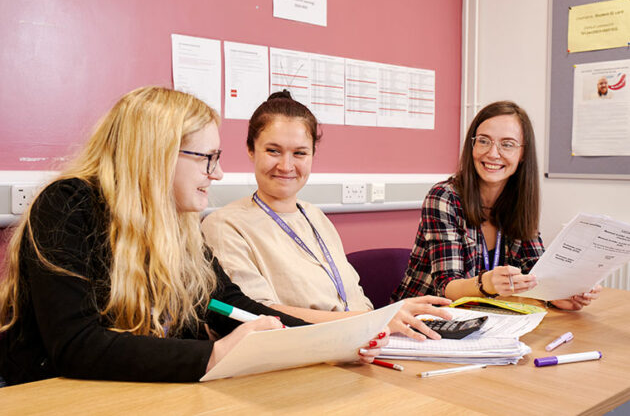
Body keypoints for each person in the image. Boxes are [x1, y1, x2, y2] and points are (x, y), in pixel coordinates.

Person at [0, 87, 387, 386]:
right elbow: (76, 346)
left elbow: (228, 305)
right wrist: (213, 355)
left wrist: (330, 343)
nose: (216, 174)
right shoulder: (69, 205)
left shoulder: (178, 222)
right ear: (158, 154)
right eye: (207, 158)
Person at [202, 91, 452, 342]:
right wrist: (370, 321)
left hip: (357, 345)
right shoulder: (225, 225)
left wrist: (374, 328)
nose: (286, 166)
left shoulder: (315, 216)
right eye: (273, 151)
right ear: (250, 150)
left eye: (300, 153)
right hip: (296, 351)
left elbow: (354, 299)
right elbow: (258, 316)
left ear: (313, 154)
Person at [391, 101, 602, 310]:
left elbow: (535, 272)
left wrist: (560, 295)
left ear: (522, 154)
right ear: (472, 145)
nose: (492, 153)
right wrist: (487, 283)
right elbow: (446, 286)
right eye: (483, 141)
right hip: (424, 320)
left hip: (485, 320)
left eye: (507, 144)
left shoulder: (519, 201)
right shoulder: (444, 197)